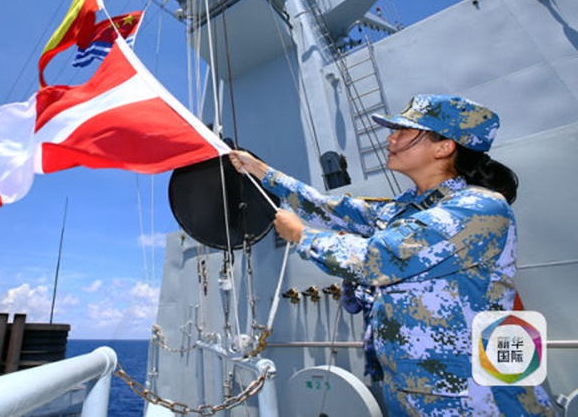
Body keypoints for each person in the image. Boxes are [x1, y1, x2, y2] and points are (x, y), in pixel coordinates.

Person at [229, 94, 555, 416]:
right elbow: (327, 208)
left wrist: (302, 236)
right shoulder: (406, 209)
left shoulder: (478, 208)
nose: (391, 138)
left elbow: (378, 258)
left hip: (478, 400)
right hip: (416, 392)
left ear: (444, 147)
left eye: (404, 131)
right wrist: (260, 170)